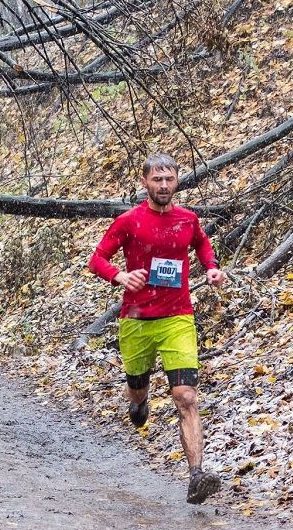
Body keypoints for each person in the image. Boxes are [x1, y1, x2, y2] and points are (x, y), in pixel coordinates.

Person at [88, 153, 228, 503]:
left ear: (176, 181)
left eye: (169, 179)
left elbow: (201, 244)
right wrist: (119, 275)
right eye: (156, 180)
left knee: (186, 396)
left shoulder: (188, 220)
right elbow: (97, 259)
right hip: (136, 320)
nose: (163, 185)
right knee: (137, 388)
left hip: (177, 318)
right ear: (145, 183)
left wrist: (211, 267)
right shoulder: (129, 221)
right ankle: (139, 402)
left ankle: (197, 475)